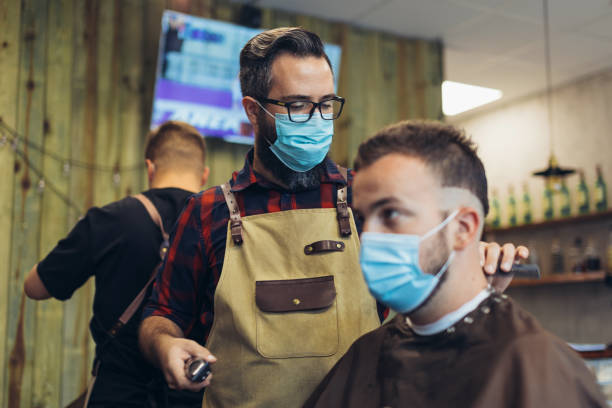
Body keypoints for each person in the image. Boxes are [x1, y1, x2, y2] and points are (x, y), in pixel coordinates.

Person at [139, 27, 527, 408]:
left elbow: (432, 297)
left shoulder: (369, 200)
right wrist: (165, 344)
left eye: (326, 104)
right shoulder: (208, 214)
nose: (317, 119)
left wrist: (482, 280)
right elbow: (162, 314)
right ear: (253, 112)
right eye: (297, 105)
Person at [304, 121, 607, 408]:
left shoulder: (534, 365)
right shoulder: (365, 354)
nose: (368, 236)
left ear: (462, 228)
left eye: (391, 214)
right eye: (363, 217)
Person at [24, 121, 209, 407]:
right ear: (204, 175)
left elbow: (34, 287)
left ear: (150, 168)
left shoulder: (111, 219)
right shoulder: (218, 229)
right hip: (193, 396)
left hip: (116, 393)